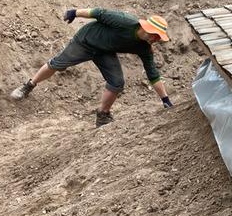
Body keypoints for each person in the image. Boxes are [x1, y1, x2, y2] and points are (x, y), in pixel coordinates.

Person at [10, 7, 173, 127]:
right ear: (148, 30)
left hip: (105, 52)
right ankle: (28, 86)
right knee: (58, 64)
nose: (157, 40)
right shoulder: (125, 21)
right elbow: (98, 13)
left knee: (117, 83)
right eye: (156, 36)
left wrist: (165, 100)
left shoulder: (144, 48)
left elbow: (153, 74)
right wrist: (74, 12)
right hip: (86, 41)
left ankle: (103, 115)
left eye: (159, 38)